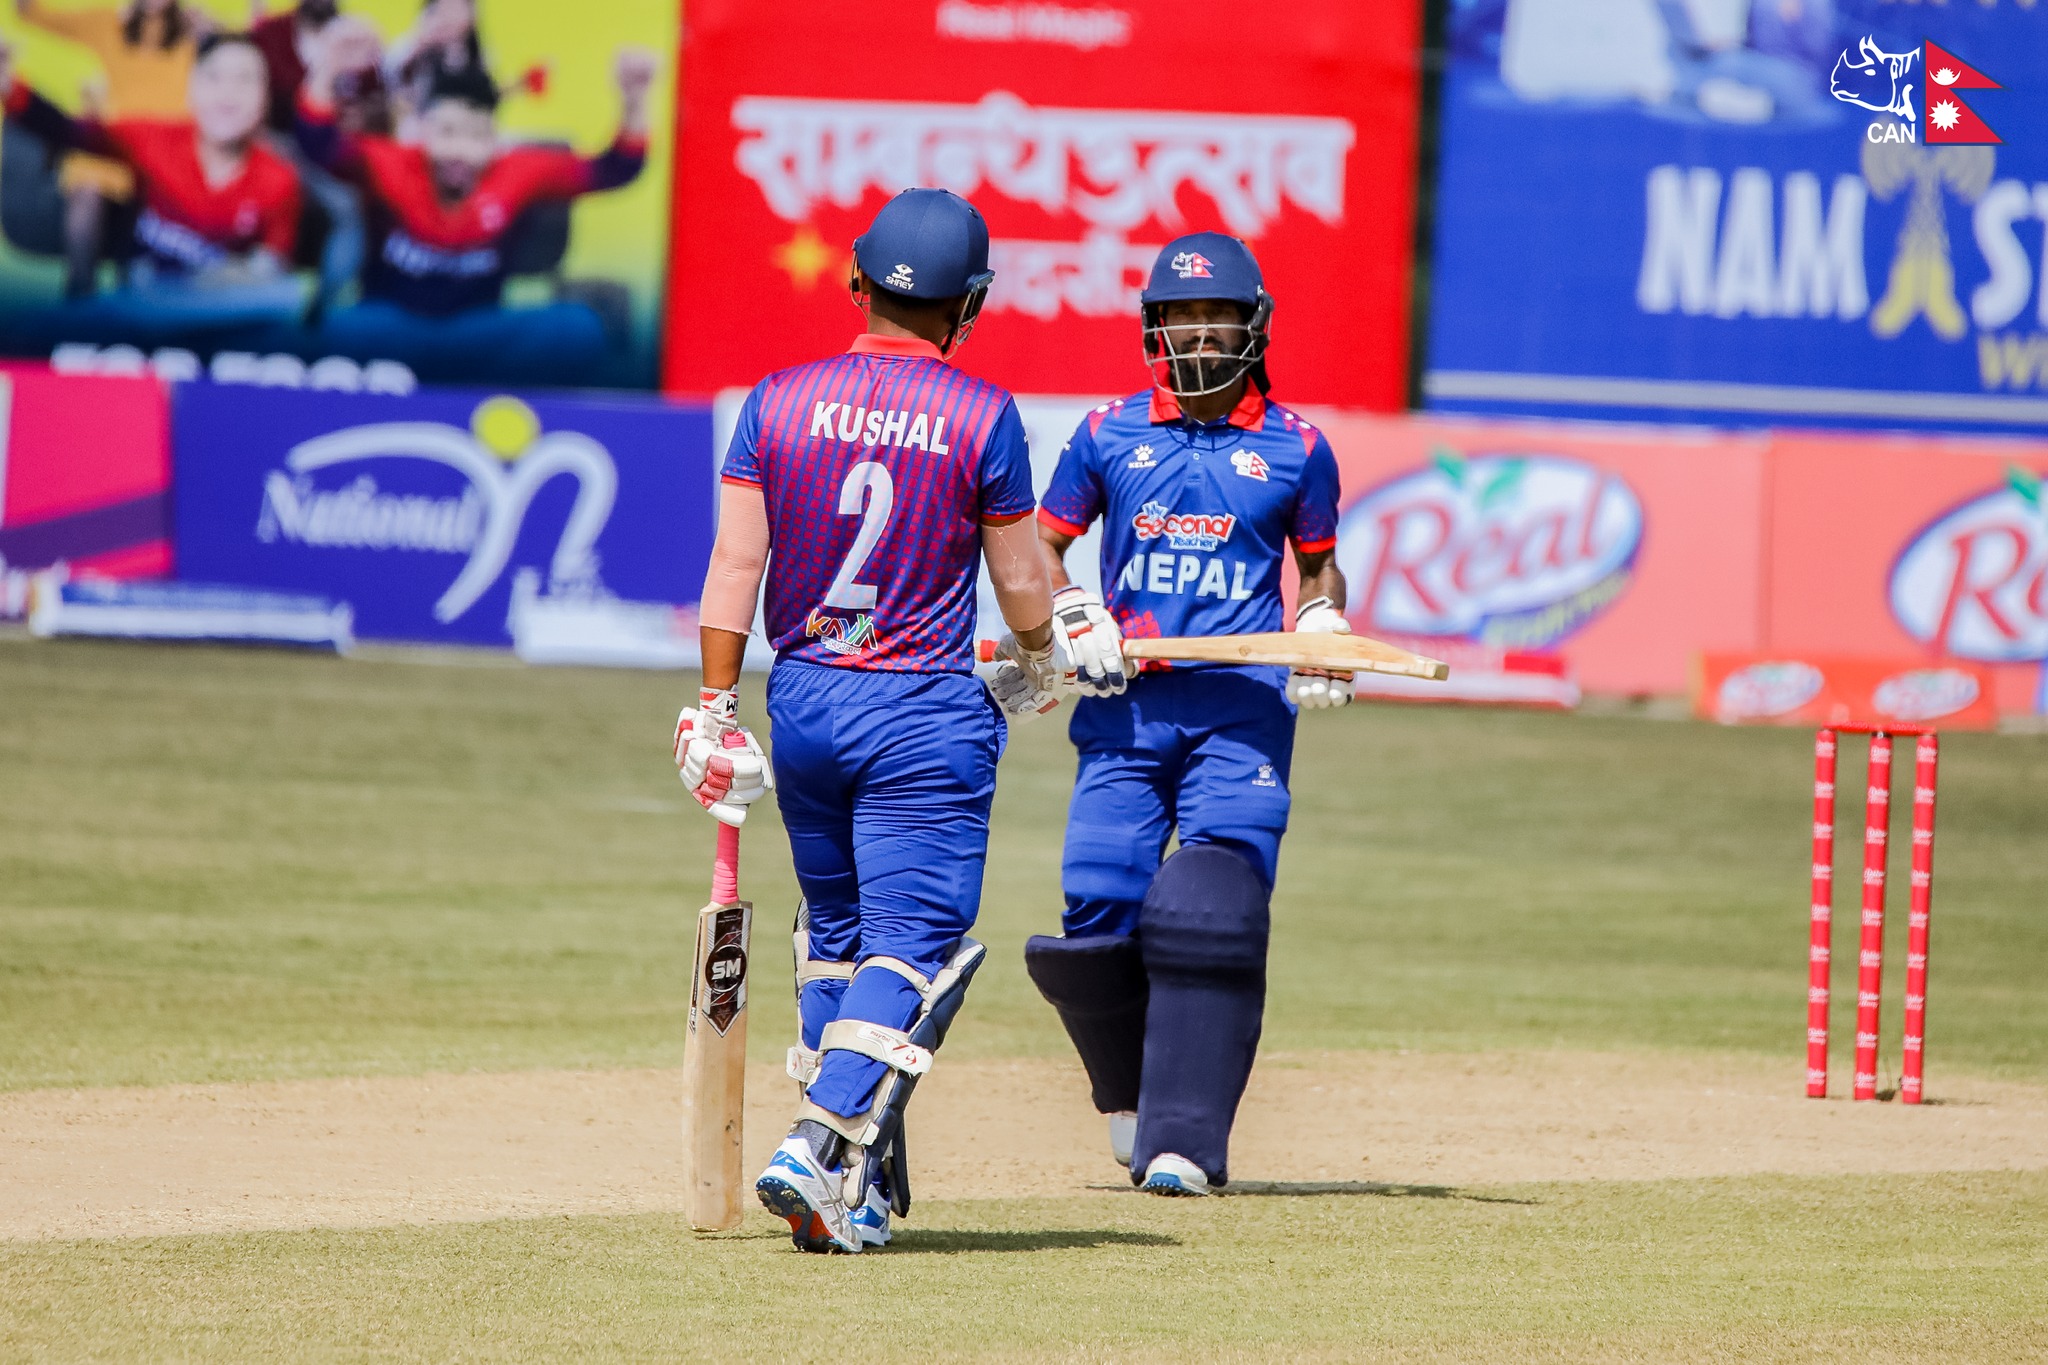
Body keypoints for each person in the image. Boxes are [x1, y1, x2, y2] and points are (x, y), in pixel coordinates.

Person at [674, 188, 1065, 1254]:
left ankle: (853, 1188)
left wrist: (712, 705)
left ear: (856, 277)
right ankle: (815, 1137)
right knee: (917, 942)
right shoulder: (983, 414)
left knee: (836, 940)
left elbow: (734, 565)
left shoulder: (776, 398)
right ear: (967, 303)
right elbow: (1022, 578)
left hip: (801, 702)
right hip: (920, 713)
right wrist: (1043, 661)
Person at [1003, 231, 1351, 1197]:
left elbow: (1318, 561)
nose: (1199, 334)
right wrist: (1072, 611)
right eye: (1180, 317)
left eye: (1218, 315)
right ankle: (1126, 1097)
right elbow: (1043, 543)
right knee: (1096, 903)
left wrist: (1323, 615)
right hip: (1126, 707)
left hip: (1239, 709)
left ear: (1254, 325)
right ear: (1154, 329)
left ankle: (1185, 1141)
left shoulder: (1299, 446)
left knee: (1212, 905)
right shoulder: (1108, 433)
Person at [294, 22, 653, 383]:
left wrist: (635, 99)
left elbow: (614, 170)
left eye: (475, 136)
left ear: (495, 140)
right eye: (446, 132)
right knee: (322, 331)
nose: (459, 151)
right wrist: (328, 66)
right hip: (391, 330)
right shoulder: (390, 163)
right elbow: (318, 144)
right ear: (422, 131)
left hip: (478, 332)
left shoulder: (520, 170)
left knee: (579, 330)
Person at [0, 30, 306, 340]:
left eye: (245, 80)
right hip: (141, 306)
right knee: (30, 331)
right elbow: (72, 133)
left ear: (266, 96)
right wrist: (10, 88)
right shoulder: (153, 141)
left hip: (221, 319)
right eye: (215, 77)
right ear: (192, 87)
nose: (229, 93)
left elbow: (271, 271)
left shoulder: (280, 178)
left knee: (285, 299)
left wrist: (226, 282)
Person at [13, 0, 208, 296]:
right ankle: (79, 294)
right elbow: (33, 15)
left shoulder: (197, 30)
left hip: (174, 153)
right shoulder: (108, 25)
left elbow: (239, 58)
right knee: (88, 184)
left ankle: (142, 301)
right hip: (114, 148)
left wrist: (215, 34)